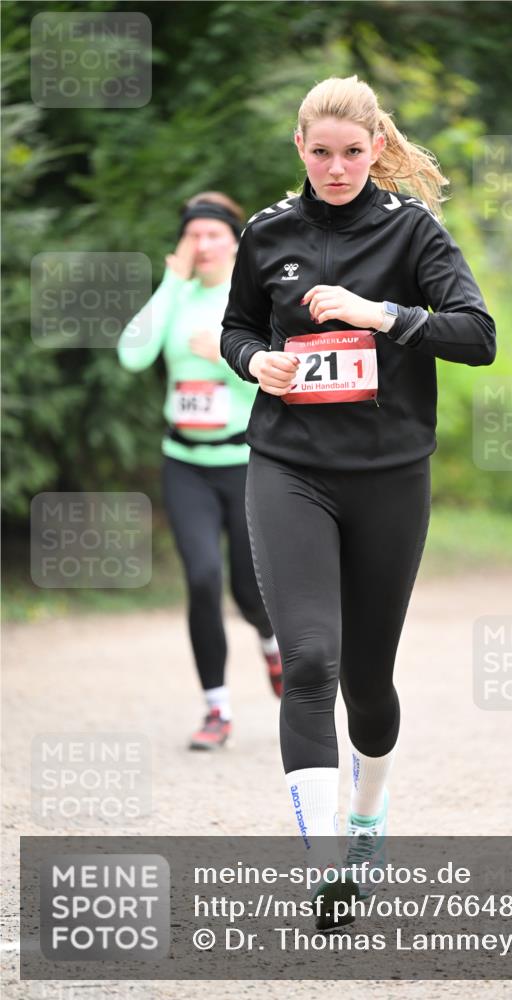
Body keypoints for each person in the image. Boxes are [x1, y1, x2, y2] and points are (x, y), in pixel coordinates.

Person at [221, 77, 496, 928]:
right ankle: (323, 863)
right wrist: (252, 362)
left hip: (388, 477)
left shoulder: (412, 231)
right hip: (287, 466)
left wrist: (382, 314)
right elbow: (237, 326)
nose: (335, 168)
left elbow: (476, 336)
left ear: (375, 146)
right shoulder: (268, 232)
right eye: (319, 152)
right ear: (298, 149)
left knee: (369, 682)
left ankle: (370, 820)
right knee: (309, 661)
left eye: (351, 152)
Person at [117, 191, 283, 752]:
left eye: (214, 234)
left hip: (242, 462)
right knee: (203, 579)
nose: (204, 244)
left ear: (235, 240)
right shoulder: (177, 297)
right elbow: (132, 355)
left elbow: (275, 379)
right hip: (184, 461)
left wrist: (223, 354)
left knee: (249, 591)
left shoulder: (252, 301)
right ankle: (217, 709)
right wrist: (170, 281)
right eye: (194, 235)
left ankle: (271, 644)